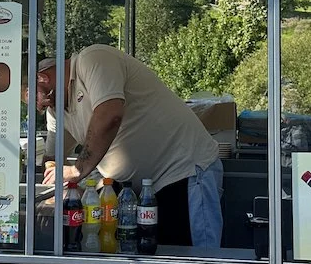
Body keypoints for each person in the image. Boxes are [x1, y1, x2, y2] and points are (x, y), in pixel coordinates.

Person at [35, 44, 224, 249]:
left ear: (42, 78)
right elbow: (52, 159)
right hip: (137, 192)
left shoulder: (93, 59)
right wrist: (58, 184)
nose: (38, 107)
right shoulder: (56, 107)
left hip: (183, 172)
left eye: (32, 97)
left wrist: (76, 170)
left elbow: (109, 115)